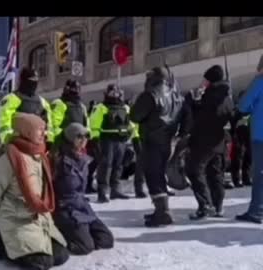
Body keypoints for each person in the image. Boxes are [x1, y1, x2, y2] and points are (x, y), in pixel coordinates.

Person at [0, 113, 69, 270]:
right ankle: (1, 244)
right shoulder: (10, 159)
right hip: (16, 220)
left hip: (39, 220)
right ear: (27, 131)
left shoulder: (40, 154)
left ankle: (19, 247)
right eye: (40, 130)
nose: (44, 134)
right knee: (42, 263)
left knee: (61, 255)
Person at [130, 66, 187, 227]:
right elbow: (185, 116)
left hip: (152, 140)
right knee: (159, 175)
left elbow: (134, 116)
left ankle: (163, 212)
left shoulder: (151, 95)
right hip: (167, 141)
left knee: (153, 177)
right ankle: (162, 210)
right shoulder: (177, 96)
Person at [53, 123, 114, 255]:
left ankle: (80, 233)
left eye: (86, 136)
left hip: (82, 207)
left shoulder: (83, 158)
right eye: (79, 136)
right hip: (66, 209)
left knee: (106, 240)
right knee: (85, 247)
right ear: (69, 138)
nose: (84, 140)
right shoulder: (58, 160)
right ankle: (59, 236)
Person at [185, 65, 234, 220]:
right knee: (215, 174)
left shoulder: (211, 95)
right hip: (219, 141)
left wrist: (193, 103)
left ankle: (205, 205)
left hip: (204, 141)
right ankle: (218, 206)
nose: (203, 82)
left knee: (194, 170)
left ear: (211, 80)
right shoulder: (226, 97)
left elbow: (202, 119)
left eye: (206, 79)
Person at [90, 84, 133, 203]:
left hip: (121, 140)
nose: (115, 94)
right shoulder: (101, 107)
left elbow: (130, 124)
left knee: (118, 166)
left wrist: (130, 136)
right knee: (105, 166)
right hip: (106, 140)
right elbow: (94, 124)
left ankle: (116, 190)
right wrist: (95, 140)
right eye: (112, 92)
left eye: (117, 92)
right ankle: (102, 192)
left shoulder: (125, 108)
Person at [236, 55, 263, 224]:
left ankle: (256, 211)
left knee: (260, 175)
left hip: (261, 135)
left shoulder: (260, 81)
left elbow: (243, 105)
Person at [0, 67, 53, 145]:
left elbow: (48, 123)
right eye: (31, 81)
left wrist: (49, 139)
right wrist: (8, 138)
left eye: (35, 81)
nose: (33, 84)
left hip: (38, 144)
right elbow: (4, 122)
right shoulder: (11, 99)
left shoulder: (42, 102)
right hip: (18, 142)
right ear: (24, 81)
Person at [51, 79, 89, 149]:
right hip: (64, 142)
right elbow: (54, 125)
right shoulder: (60, 103)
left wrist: (85, 138)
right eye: (73, 89)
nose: (75, 91)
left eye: (77, 89)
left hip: (79, 143)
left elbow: (86, 124)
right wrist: (61, 138)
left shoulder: (82, 106)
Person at [230, 92, 252, 188]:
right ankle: (236, 179)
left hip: (250, 137)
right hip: (238, 137)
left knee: (249, 158)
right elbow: (231, 124)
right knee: (238, 159)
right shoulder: (236, 111)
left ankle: (246, 178)